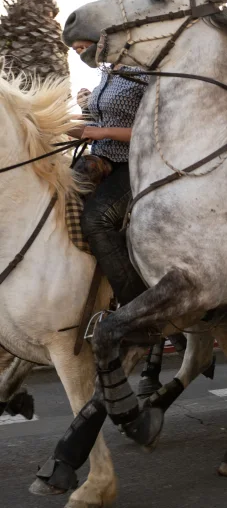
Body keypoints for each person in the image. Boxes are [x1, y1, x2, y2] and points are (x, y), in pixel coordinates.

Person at [69, 46, 155, 335]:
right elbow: (95, 126)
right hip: (101, 161)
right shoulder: (106, 74)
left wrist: (101, 133)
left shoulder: (142, 73)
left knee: (96, 220)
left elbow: (153, 129)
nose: (80, 49)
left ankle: (139, 313)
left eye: (84, 44)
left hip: (133, 164)